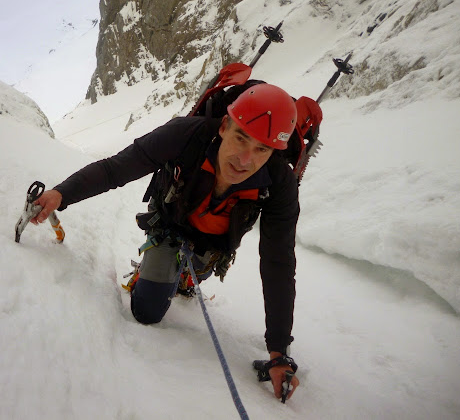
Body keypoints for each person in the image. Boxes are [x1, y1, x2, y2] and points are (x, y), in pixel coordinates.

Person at [32, 83, 300, 400]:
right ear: (225, 125)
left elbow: (278, 262)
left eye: (262, 149)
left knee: (191, 279)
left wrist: (278, 352)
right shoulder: (186, 136)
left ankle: (187, 277)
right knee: (146, 311)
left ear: (274, 152)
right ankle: (155, 270)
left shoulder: (280, 184)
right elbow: (115, 169)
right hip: (169, 229)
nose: (244, 159)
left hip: (212, 248)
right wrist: (61, 194)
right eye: (241, 138)